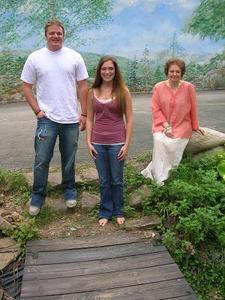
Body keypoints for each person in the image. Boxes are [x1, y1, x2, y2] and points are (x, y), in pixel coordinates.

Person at [21, 20, 88, 216]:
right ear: (46, 35)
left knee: (69, 159)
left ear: (63, 35)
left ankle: (69, 190)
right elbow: (26, 86)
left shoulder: (74, 57)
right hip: (46, 119)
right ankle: (38, 194)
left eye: (59, 33)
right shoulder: (35, 58)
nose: (56, 36)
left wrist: (84, 113)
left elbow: (83, 86)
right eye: (52, 33)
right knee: (42, 159)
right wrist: (37, 111)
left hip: (70, 119)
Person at [86, 56, 133, 226]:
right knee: (104, 180)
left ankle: (118, 210)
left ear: (115, 71)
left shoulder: (123, 91)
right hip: (97, 143)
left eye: (110, 69)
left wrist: (126, 145)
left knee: (117, 180)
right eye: (104, 69)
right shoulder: (92, 92)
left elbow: (130, 119)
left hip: (117, 143)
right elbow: (90, 119)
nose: (107, 72)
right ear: (99, 71)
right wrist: (88, 142)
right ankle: (105, 211)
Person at [141, 58, 203, 185]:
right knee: (159, 141)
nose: (174, 74)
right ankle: (159, 179)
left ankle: (165, 174)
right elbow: (155, 109)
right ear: (167, 72)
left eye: (177, 72)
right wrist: (166, 126)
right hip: (161, 124)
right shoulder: (158, 87)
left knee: (174, 144)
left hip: (182, 125)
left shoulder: (189, 87)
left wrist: (195, 125)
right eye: (171, 71)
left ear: (182, 73)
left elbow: (193, 107)